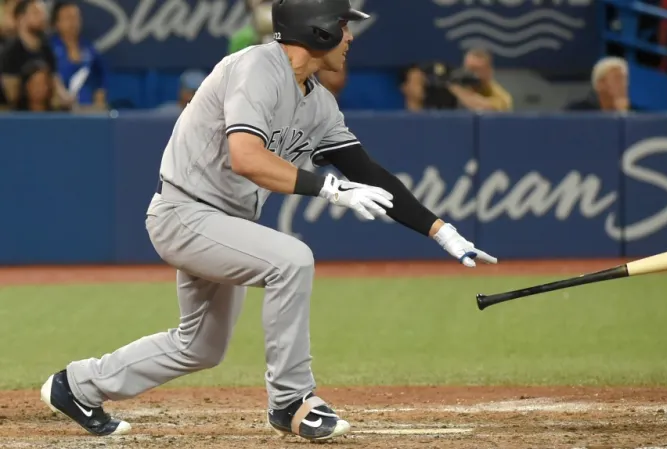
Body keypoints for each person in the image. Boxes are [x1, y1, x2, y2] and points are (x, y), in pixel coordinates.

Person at [39, 0, 496, 443]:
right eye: (343, 24)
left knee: (200, 346)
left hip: (224, 223)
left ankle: (77, 386)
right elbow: (246, 158)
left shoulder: (318, 103)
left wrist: (442, 231)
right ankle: (292, 400)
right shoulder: (256, 68)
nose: (350, 36)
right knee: (291, 260)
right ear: (319, 30)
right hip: (185, 211)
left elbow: (368, 173)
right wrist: (329, 189)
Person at [1, 0, 71, 109]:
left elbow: (56, 84)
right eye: (35, 13)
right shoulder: (10, 52)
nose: (42, 17)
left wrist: (66, 99)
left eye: (43, 13)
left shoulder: (47, 50)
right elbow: (11, 96)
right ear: (21, 18)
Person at [49, 0, 108, 111]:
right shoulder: (49, 49)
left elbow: (101, 77)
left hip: (87, 111)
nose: (73, 23)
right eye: (68, 18)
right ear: (57, 23)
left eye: (76, 18)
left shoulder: (90, 50)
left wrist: (99, 100)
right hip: (59, 110)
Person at [447, 48, 512, 112]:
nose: (471, 74)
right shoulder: (460, 88)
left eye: (476, 70)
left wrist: (454, 87)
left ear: (489, 71)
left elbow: (487, 108)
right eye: (468, 69)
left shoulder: (501, 96)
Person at [566, 57, 634, 112]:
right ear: (600, 84)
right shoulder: (576, 112)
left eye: (625, 79)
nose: (624, 84)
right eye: (617, 79)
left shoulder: (635, 115)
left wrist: (622, 114)